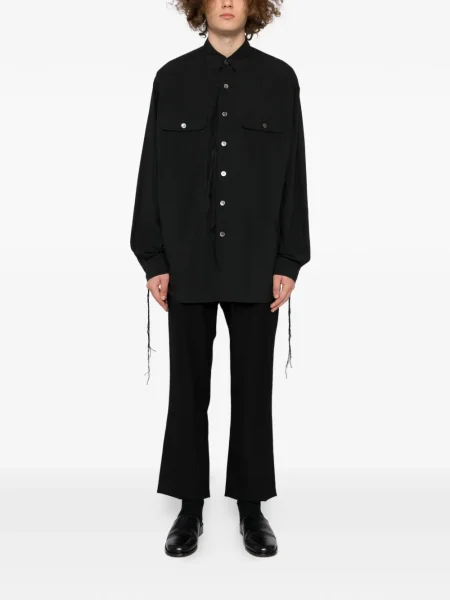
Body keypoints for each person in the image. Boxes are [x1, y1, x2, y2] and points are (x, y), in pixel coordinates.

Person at [130, 0, 310, 558]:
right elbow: (151, 168)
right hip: (186, 261)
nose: (227, 1)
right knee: (187, 390)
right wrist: (154, 258)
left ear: (256, 7)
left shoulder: (279, 80)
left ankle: (251, 507)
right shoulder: (172, 79)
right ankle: (189, 507)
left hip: (257, 262)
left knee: (253, 390)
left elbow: (295, 172)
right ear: (198, 5)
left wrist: (288, 260)